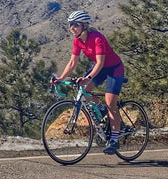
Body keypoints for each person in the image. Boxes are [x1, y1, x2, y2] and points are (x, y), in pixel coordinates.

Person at [52, 10, 126, 154]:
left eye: (75, 24)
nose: (71, 28)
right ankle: (101, 109)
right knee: (83, 90)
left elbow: (100, 62)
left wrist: (88, 77)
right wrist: (61, 78)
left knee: (111, 103)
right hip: (100, 69)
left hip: (113, 69)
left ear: (84, 26)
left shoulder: (97, 38)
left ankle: (114, 140)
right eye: (70, 25)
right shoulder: (77, 40)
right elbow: (73, 62)